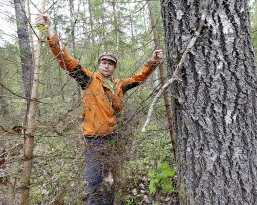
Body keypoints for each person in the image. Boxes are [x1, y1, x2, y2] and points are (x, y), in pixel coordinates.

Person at [35, 14, 163, 204]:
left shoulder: (119, 85)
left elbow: (139, 77)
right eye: (104, 62)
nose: (106, 65)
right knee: (94, 182)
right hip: (93, 140)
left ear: (114, 68)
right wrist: (50, 30)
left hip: (111, 138)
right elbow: (66, 60)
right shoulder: (88, 79)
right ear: (99, 64)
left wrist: (152, 61)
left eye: (110, 63)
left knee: (109, 180)